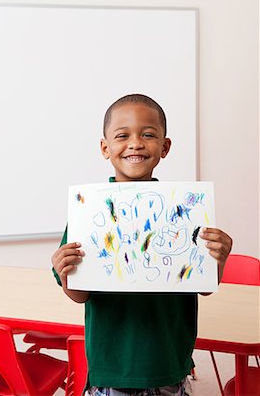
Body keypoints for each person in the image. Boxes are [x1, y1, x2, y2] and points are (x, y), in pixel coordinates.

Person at [52, 94, 232, 396]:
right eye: (122, 136)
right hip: (111, 366)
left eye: (148, 134)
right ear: (105, 147)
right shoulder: (88, 213)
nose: (135, 143)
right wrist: (65, 270)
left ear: (165, 147)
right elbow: (79, 295)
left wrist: (219, 258)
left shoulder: (185, 211)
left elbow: (205, 285)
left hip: (168, 361)